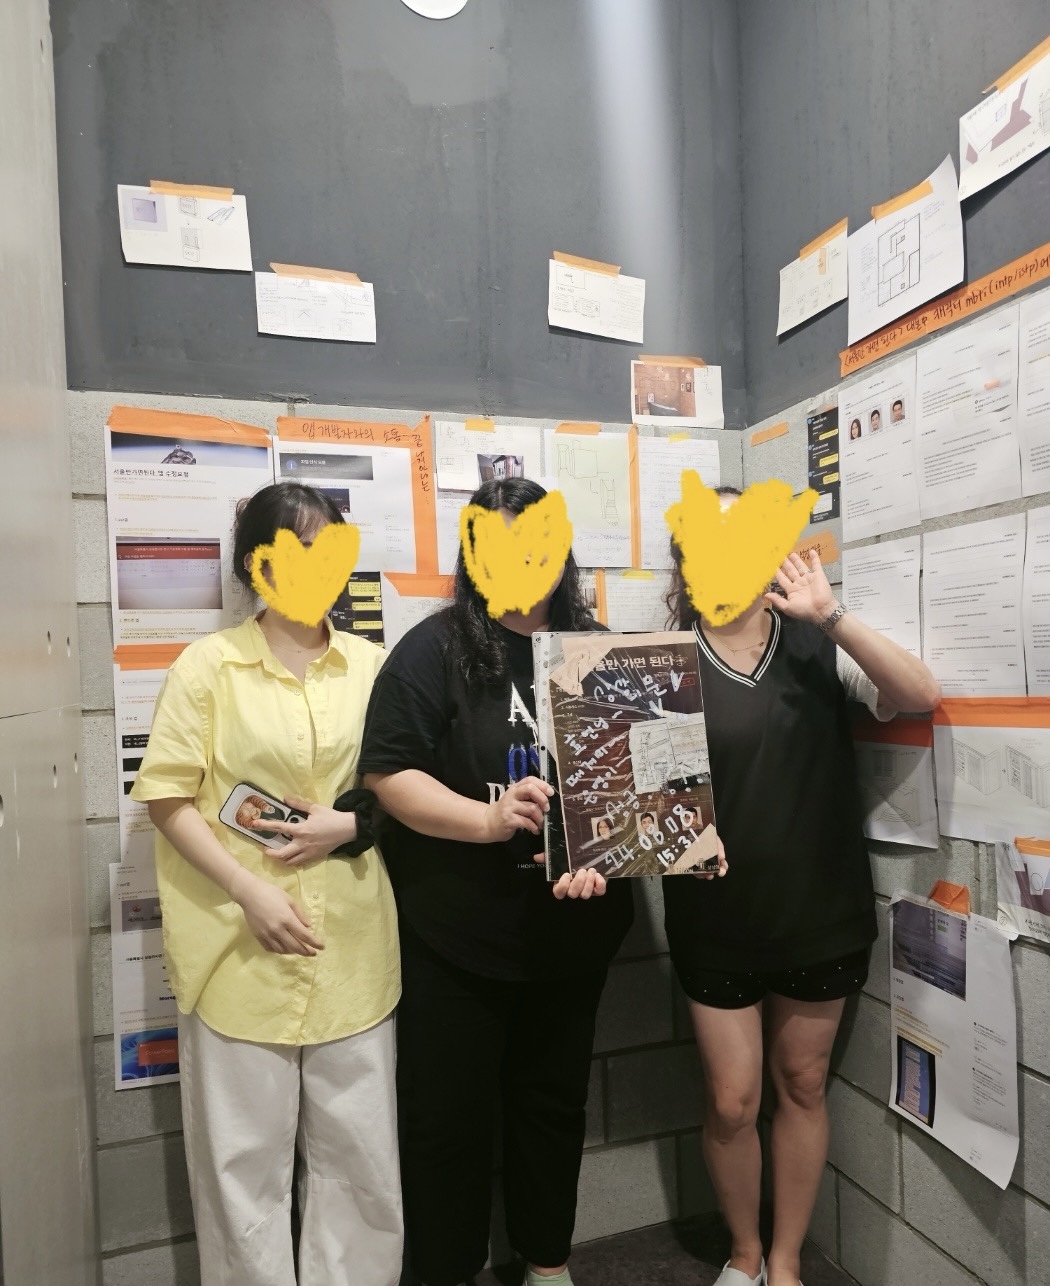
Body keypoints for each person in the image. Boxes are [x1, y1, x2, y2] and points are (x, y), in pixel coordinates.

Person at [360, 478, 635, 1286]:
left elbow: (641, 785)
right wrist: (487, 820)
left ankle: (548, 1266)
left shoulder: (604, 651)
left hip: (572, 935)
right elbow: (388, 774)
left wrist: (609, 853)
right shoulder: (433, 649)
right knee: (447, 1124)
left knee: (553, 1108)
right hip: (456, 938)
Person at [662, 486, 940, 1286]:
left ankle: (783, 1262)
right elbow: (629, 799)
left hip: (821, 909)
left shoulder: (817, 640)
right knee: (732, 1101)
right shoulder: (660, 661)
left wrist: (833, 615)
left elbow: (920, 695)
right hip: (714, 913)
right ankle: (744, 1253)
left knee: (804, 1084)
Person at [130, 483, 402, 1286]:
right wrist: (247, 891)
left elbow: (400, 787)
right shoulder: (208, 666)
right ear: (257, 562)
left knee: (361, 1160)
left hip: (351, 946)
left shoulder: (374, 667)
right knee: (241, 1169)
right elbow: (167, 798)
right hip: (237, 949)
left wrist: (347, 826)